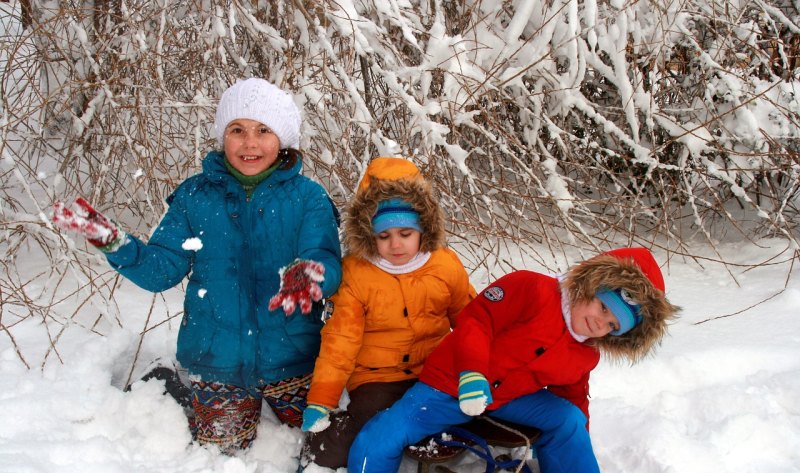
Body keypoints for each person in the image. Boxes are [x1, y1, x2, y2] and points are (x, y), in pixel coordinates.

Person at [51, 78, 343, 454]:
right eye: (237, 130)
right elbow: (161, 271)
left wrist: (312, 274)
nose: (250, 142)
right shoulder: (195, 196)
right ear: (223, 136)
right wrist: (116, 244)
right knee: (223, 454)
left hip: (294, 358)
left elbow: (327, 260)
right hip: (217, 362)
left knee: (322, 444)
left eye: (263, 130)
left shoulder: (308, 198)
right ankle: (170, 387)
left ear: (282, 139)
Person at [348, 247, 680, 473]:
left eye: (613, 325)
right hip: (450, 385)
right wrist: (472, 374)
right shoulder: (530, 288)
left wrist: (577, 436)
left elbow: (573, 393)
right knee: (384, 434)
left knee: (569, 418)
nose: (600, 322)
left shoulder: (586, 351)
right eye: (603, 307)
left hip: (507, 398)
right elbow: (477, 322)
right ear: (588, 287)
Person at [297, 157, 477, 471]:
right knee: (366, 429)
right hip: (377, 377)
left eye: (405, 233)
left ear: (424, 226)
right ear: (369, 234)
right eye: (384, 236)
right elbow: (340, 342)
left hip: (434, 371)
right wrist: (321, 399)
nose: (395, 245)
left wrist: (482, 369)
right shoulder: (356, 272)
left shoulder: (445, 264)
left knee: (454, 424)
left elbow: (472, 323)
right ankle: (331, 444)